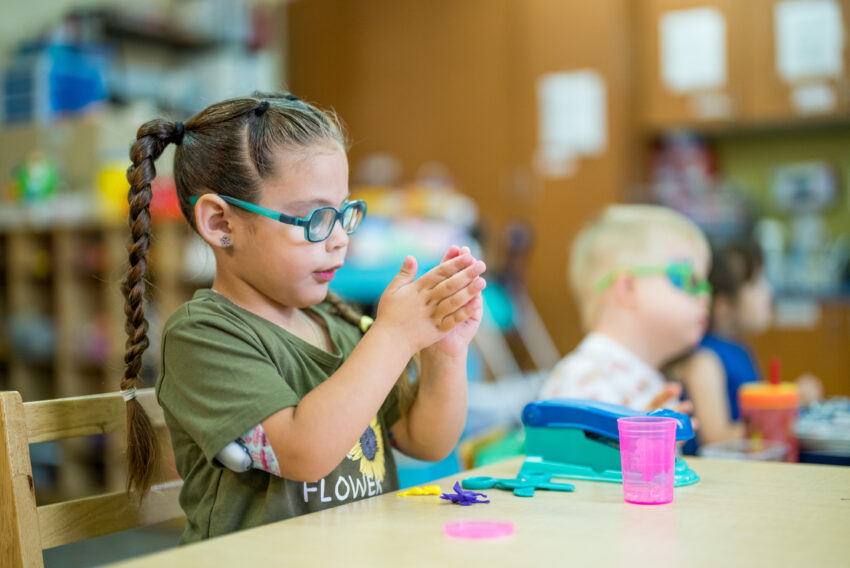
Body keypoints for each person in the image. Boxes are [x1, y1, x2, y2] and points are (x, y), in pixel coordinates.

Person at [119, 92, 486, 543]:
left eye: (344, 213)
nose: (338, 240)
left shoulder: (341, 327)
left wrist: (444, 353)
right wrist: (393, 336)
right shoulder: (204, 335)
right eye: (313, 218)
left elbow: (424, 441)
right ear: (220, 223)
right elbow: (303, 452)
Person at [539, 204, 710, 413]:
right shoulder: (589, 379)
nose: (704, 296)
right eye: (689, 281)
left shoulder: (640, 376)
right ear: (627, 287)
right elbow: (580, 447)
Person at [677, 240, 822, 448]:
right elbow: (716, 438)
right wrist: (786, 405)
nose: (768, 291)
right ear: (723, 305)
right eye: (755, 284)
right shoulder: (705, 360)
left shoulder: (741, 350)